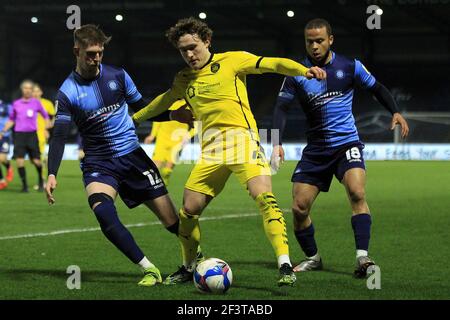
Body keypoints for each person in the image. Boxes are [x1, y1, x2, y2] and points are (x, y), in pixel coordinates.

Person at [133, 17, 326, 287]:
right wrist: (134, 119)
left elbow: (273, 63)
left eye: (193, 46)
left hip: (243, 142)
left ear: (207, 41)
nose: (189, 54)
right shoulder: (183, 78)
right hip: (211, 149)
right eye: (183, 50)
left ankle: (284, 265)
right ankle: (189, 266)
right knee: (188, 212)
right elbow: (163, 102)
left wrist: (303, 71)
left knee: (265, 199)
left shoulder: (233, 60)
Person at [45, 24, 194, 286]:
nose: (96, 59)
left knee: (173, 223)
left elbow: (142, 110)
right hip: (99, 162)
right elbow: (59, 136)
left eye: (100, 53)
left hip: (133, 157)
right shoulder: (67, 91)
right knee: (104, 213)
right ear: (76, 51)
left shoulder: (119, 76)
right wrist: (52, 173)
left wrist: (173, 115)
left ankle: (194, 262)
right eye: (90, 54)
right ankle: (148, 269)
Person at [270, 18, 410, 278]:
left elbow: (376, 87)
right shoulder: (296, 71)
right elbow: (281, 107)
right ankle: (313, 258)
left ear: (330, 40)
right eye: (309, 41)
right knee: (300, 207)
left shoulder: (349, 66)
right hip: (316, 151)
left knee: (357, 192)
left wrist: (396, 111)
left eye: (319, 40)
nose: (314, 46)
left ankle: (362, 258)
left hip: (346, 143)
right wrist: (276, 142)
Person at [0, 80, 50, 192]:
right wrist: (3, 131)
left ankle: (41, 181)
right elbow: (11, 119)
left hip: (32, 135)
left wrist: (46, 128)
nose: (27, 90)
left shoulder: (36, 103)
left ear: (32, 90)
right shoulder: (16, 104)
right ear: (22, 90)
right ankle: (24, 186)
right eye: (25, 88)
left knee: (36, 161)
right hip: (19, 136)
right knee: (19, 161)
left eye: (29, 88)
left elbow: (45, 116)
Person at [144, 99, 196, 186]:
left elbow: (197, 122)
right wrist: (152, 135)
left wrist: (188, 135)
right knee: (155, 165)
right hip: (162, 137)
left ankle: (164, 184)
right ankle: (150, 186)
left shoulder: (190, 103)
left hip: (178, 139)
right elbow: (158, 118)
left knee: (168, 168)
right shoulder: (167, 99)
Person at [32, 83, 56, 167]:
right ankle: (44, 159)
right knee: (34, 159)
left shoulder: (47, 103)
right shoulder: (27, 103)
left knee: (40, 155)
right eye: (33, 91)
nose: (35, 93)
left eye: (37, 91)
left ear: (41, 92)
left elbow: (53, 116)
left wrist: (49, 128)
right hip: (29, 133)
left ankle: (42, 177)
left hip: (42, 132)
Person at [0, 99, 14, 190]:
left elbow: (13, 119)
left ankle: (9, 167)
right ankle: (2, 181)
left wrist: (3, 131)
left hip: (4, 135)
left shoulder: (7, 106)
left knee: (2, 158)